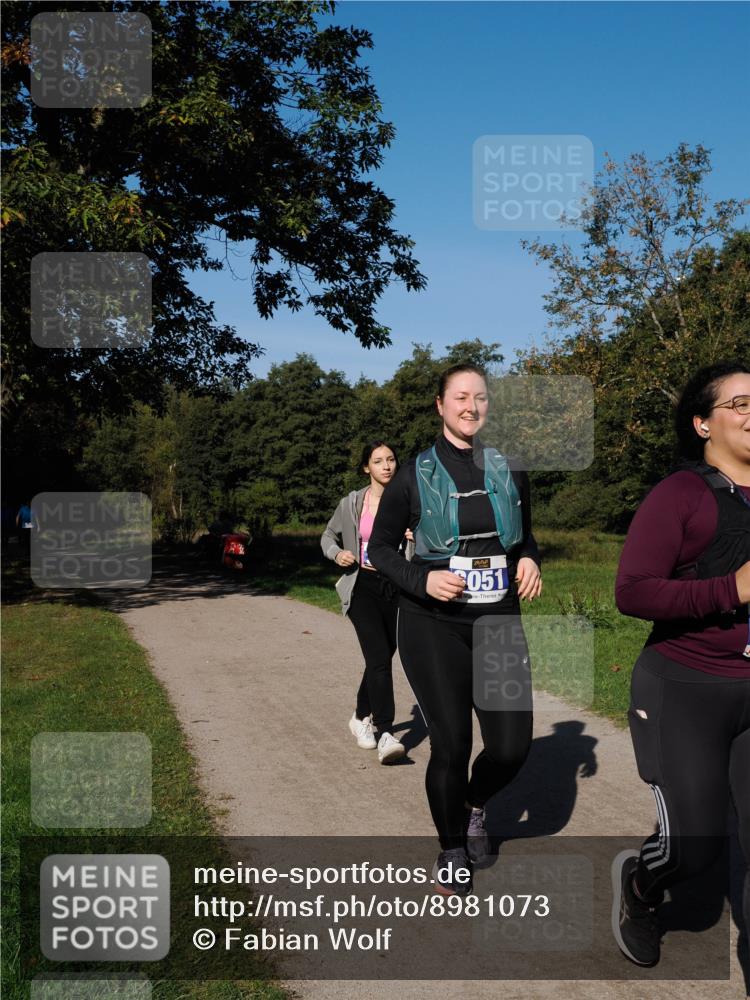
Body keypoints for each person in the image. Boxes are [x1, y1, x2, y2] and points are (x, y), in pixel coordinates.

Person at [368, 364, 542, 894]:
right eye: (460, 397)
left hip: (498, 620)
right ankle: (450, 847)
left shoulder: (509, 468)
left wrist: (530, 559)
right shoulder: (412, 473)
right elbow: (377, 549)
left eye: (481, 398)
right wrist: (423, 580)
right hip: (432, 623)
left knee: (511, 747)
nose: (471, 406)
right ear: (441, 405)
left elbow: (525, 536)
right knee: (453, 743)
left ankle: (472, 805)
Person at [612, 360, 750, 968]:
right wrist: (732, 590)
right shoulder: (682, 493)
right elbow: (633, 590)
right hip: (686, 687)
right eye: (740, 405)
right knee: (695, 848)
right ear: (702, 423)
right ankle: (642, 886)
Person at [321, 442, 407, 765]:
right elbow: (327, 537)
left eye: (391, 459)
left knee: (380, 658)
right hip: (362, 587)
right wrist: (338, 553)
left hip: (398, 588)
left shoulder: (409, 501)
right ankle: (386, 732)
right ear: (366, 468)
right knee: (380, 660)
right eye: (378, 461)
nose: (386, 466)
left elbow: (432, 541)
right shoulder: (353, 503)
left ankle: (360, 716)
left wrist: (416, 537)